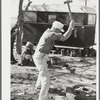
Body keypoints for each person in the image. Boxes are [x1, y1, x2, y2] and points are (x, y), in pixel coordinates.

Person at [33, 20, 75, 100]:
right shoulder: (51, 34)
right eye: (59, 30)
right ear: (56, 29)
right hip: (40, 57)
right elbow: (64, 38)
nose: (59, 32)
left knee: (42, 71)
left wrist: (71, 28)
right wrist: (70, 27)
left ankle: (38, 86)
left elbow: (64, 36)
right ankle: (42, 98)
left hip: (40, 56)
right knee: (46, 79)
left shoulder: (47, 32)